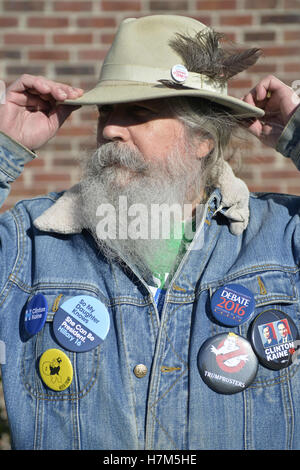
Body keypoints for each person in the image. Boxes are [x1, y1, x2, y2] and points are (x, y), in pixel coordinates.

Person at [0, 14, 300, 450]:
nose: (109, 128)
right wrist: (3, 149)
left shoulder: (280, 238)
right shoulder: (30, 241)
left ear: (203, 138)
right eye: (107, 110)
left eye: (138, 111)